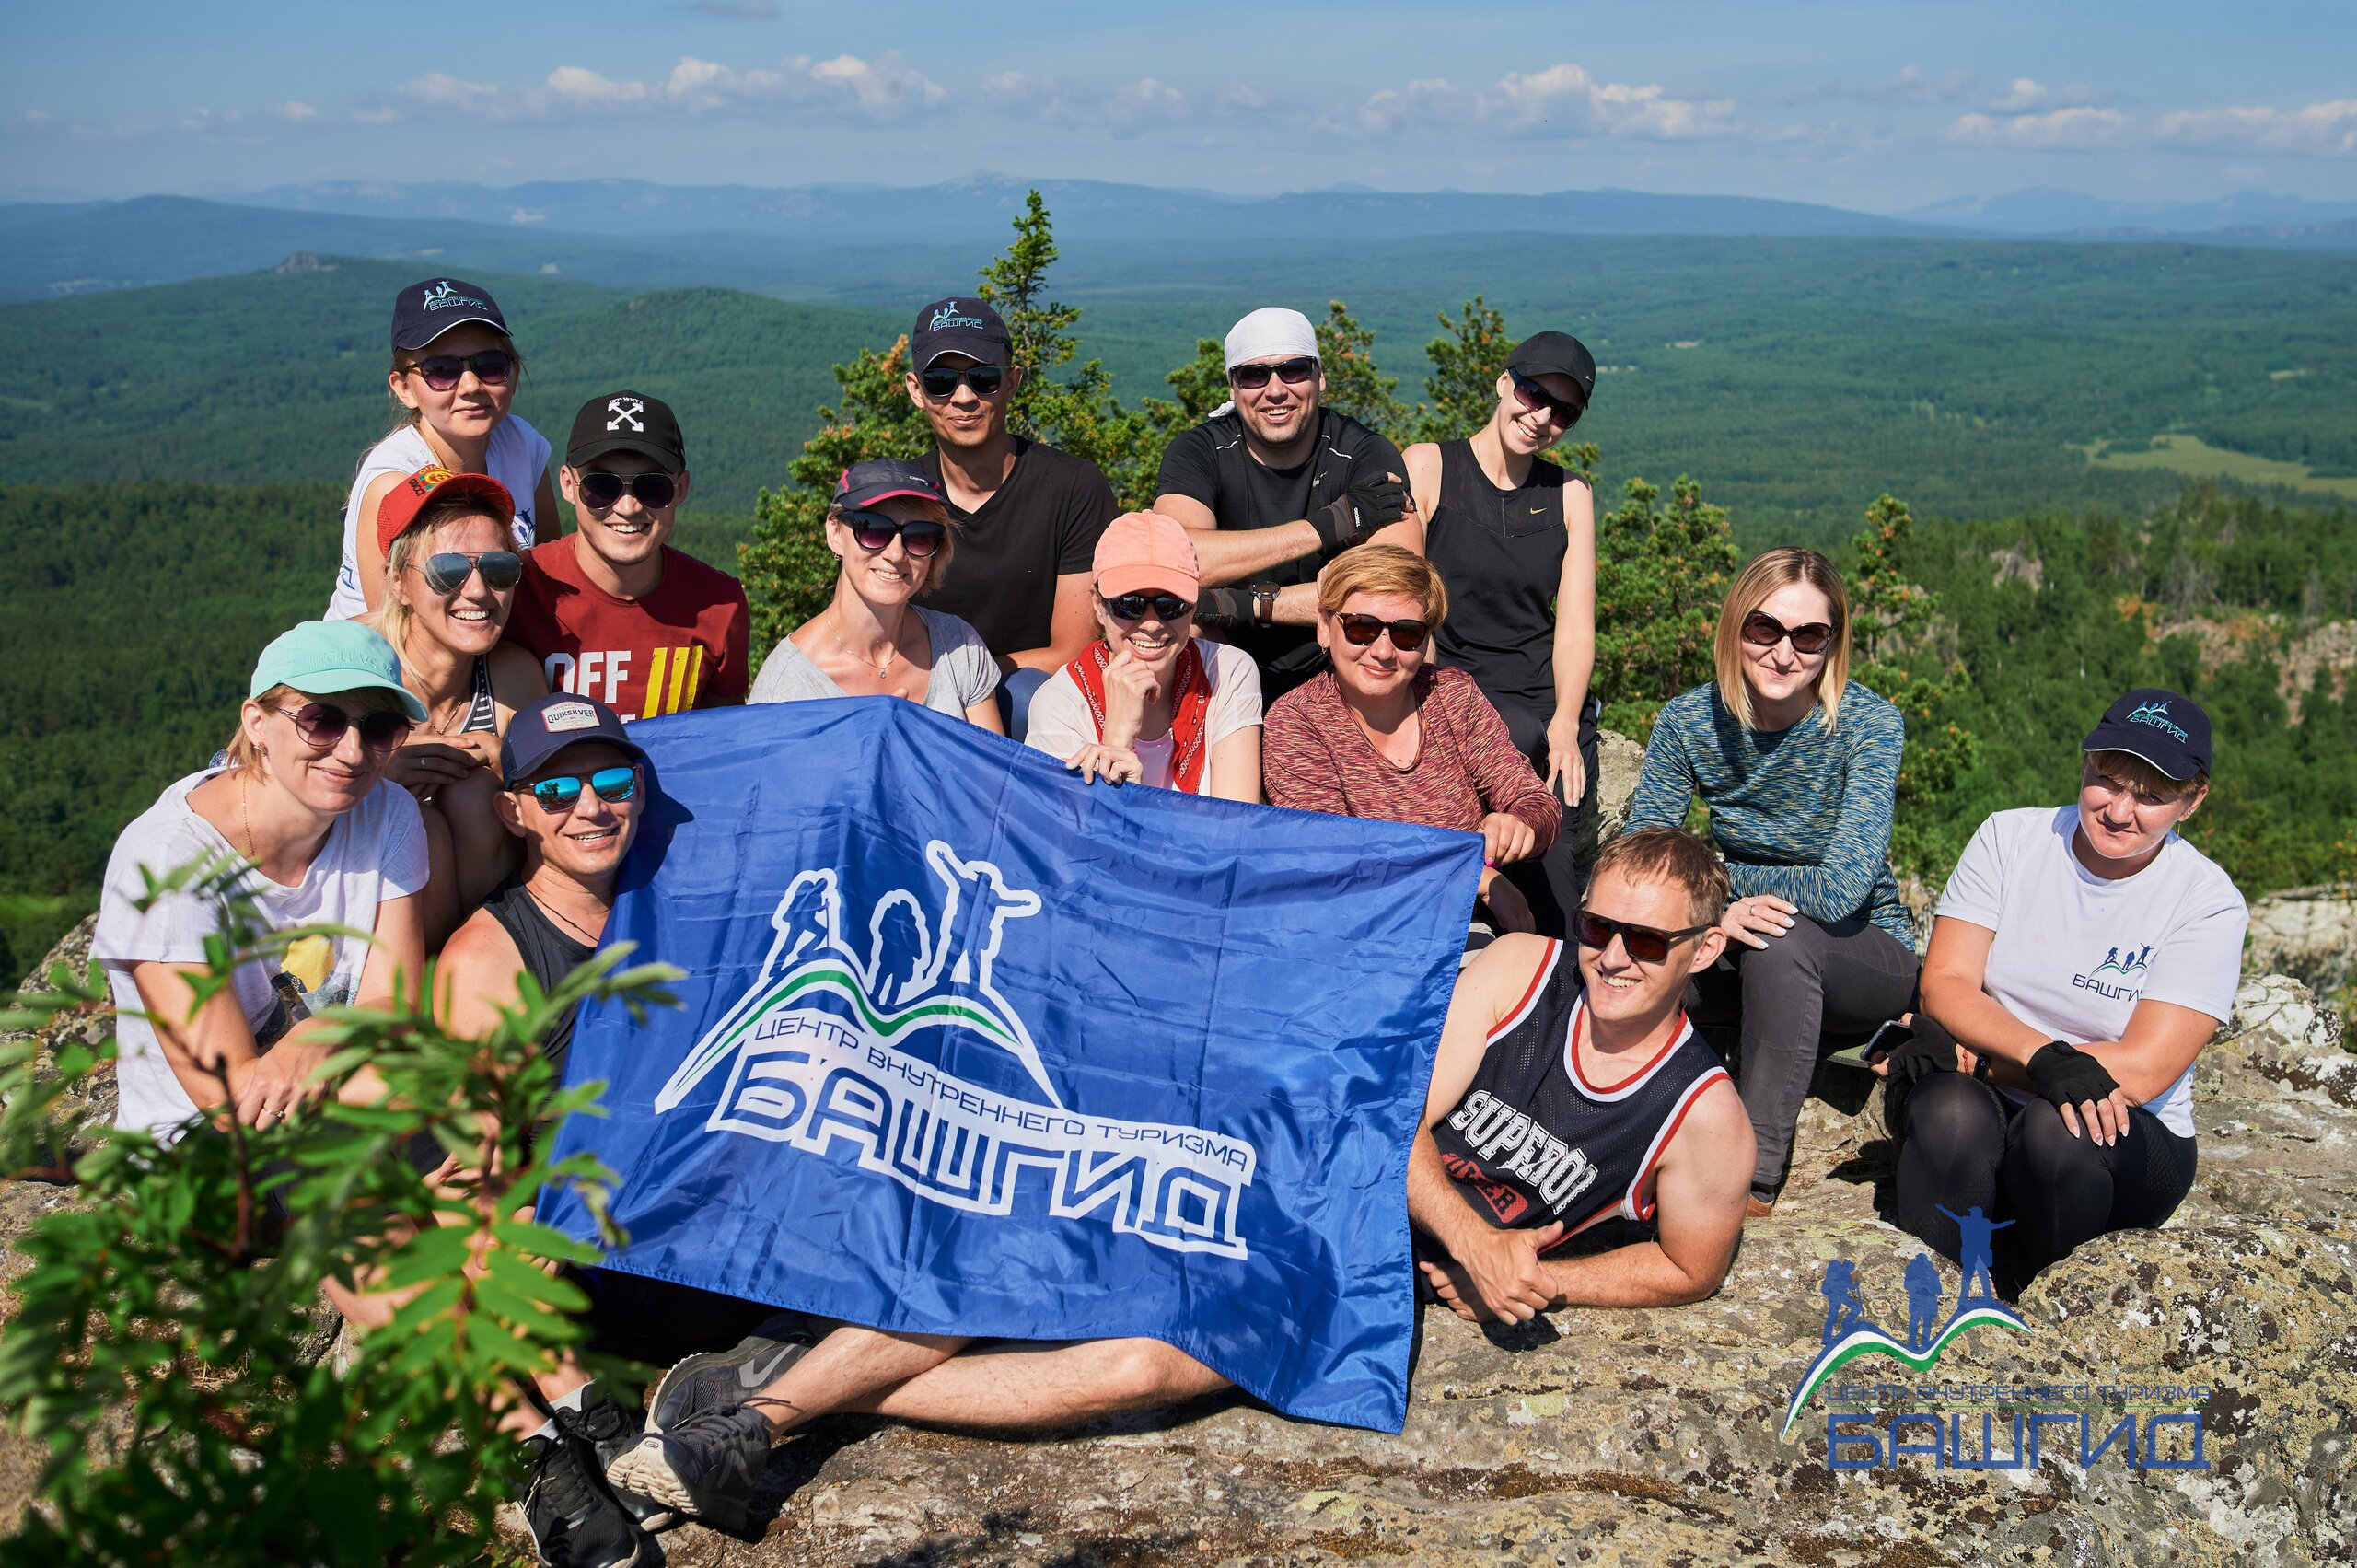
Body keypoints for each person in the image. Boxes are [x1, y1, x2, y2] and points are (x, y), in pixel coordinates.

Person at [1876, 689, 2247, 1294]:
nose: (2120, 810)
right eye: (2107, 780)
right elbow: (1946, 982)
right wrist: (2042, 1055)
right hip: (1989, 1091)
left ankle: (2041, 1291)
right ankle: (1943, 1299)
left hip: (2121, 1135)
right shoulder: (2010, 839)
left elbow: (2146, 1068)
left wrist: (1992, 1063)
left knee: (2059, 1131)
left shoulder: (2206, 902)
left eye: (2151, 796)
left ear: (2192, 800)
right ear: (2085, 763)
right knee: (1949, 1116)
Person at [433, 693, 674, 1568]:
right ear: (515, 811)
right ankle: (562, 1428)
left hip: (664, 1216)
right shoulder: (489, 960)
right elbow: (468, 1178)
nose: (590, 805)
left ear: (640, 791)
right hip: (566, 1243)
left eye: (612, 779)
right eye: (556, 789)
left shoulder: (672, 906)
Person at [1624, 547, 1916, 1218]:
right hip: (1739, 935)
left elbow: (1843, 888)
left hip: (1864, 951)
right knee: (1638, 963)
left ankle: (1750, 1181)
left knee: (1779, 941)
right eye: (1765, 629)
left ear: (1833, 645)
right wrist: (1716, 912)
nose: (1785, 652)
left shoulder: (1868, 725)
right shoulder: (1689, 721)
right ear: (1735, 627)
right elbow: (1644, 860)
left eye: (1809, 635)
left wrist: (1716, 881)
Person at [1406, 828, 1754, 1322]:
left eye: (1647, 940)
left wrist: (1535, 1281)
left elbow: (1691, 1268)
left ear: (1704, 949)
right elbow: (1395, 1117)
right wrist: (1475, 1246)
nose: (1612, 959)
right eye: (1595, 927)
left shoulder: (1705, 1113)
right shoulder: (1519, 969)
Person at [1403, 331, 1599, 935]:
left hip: (1542, 703)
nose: (1541, 416)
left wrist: (1567, 720)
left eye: (1562, 410)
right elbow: (1409, 601)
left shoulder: (1570, 495)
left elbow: (1573, 624)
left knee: (1554, 857)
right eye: (1532, 391)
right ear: (1502, 382)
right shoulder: (1428, 467)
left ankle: (1551, 966)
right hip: (1445, 687)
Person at [1262, 545, 1557, 940]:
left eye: (1406, 634)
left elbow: (1536, 801)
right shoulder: (1298, 722)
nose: (1383, 652)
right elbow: (1335, 859)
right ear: (1324, 627)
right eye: (1361, 628)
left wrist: (1521, 825)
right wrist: (1476, 876)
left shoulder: (1452, 696)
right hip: (1361, 934)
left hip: (1461, 927)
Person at [1154, 307, 1423, 699]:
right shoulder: (1200, 451)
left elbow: (1392, 586)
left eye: (1293, 369)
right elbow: (1170, 563)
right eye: (1253, 375)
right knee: (1179, 627)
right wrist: (1334, 523)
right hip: (1219, 656)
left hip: (1335, 662)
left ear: (1320, 376)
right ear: (1233, 387)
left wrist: (1241, 604)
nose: (1276, 389)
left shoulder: (1363, 452)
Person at [901, 296, 1119, 733]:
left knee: (1024, 696)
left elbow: (1073, 653)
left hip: (1035, 707)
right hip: (923, 701)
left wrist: (966, 682)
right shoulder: (902, 499)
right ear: (916, 390)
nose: (963, 397)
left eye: (983, 379)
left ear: (1013, 382)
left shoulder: (1072, 488)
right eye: (941, 381)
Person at [363, 467, 549, 945]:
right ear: (398, 583)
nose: (478, 591)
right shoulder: (352, 668)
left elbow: (551, 808)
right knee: (413, 820)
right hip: (357, 925)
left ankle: (465, 971)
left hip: (476, 928)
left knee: (476, 797)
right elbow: (267, 788)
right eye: (448, 570)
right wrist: (371, 776)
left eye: (500, 569)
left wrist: (508, 766)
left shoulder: (512, 677)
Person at [505, 390, 751, 718]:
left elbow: (724, 739)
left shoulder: (720, 606)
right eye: (602, 486)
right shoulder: (517, 591)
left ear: (680, 489)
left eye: (652, 487)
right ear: (567, 485)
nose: (627, 506)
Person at [328, 277, 557, 621]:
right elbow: (392, 628)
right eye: (441, 370)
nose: (470, 385)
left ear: (515, 371)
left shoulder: (523, 445)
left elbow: (546, 574)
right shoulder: (394, 482)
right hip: (382, 661)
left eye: (491, 364)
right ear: (404, 388)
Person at [1023, 510, 1263, 800]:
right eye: (1130, 604)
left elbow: (1234, 824)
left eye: (1171, 604)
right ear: (1099, 605)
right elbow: (1069, 838)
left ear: (1194, 605)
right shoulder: (1059, 703)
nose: (1151, 624)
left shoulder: (1228, 672)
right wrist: (1115, 740)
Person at [746, 459, 1002, 729]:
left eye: (920, 536)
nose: (895, 554)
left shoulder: (959, 646)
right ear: (834, 533)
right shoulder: (789, 684)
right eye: (873, 530)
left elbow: (994, 768)